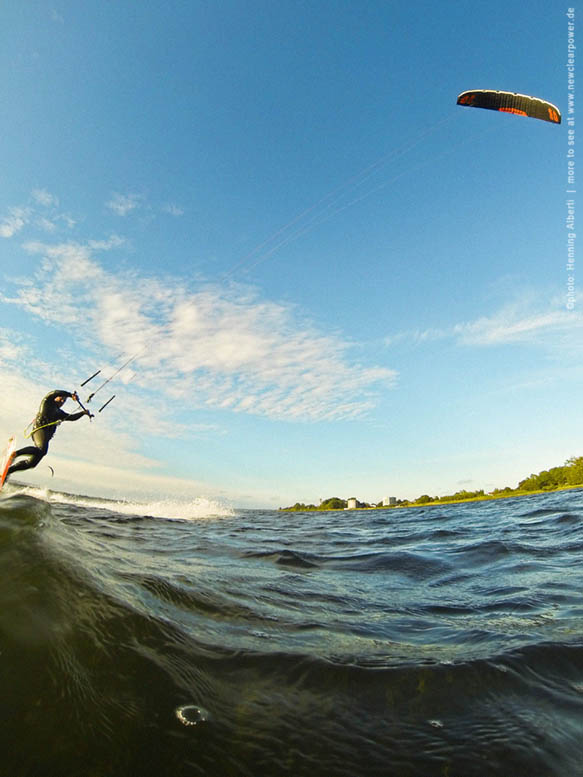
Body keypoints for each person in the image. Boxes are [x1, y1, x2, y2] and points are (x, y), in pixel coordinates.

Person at [6, 390, 91, 480]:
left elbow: (71, 417)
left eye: (64, 401)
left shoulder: (59, 412)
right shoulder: (48, 402)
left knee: (32, 463)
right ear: (57, 397)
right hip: (39, 430)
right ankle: (15, 454)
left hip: (46, 435)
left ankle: (8, 471)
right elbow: (54, 392)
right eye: (61, 398)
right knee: (41, 450)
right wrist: (70, 395)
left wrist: (83, 413)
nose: (62, 401)